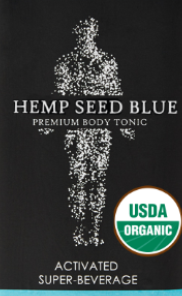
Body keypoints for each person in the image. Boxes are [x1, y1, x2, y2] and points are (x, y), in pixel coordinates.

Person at [40, 17, 134, 246]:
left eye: (90, 30)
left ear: (95, 33)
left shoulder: (107, 62)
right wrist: (48, 121)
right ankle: (78, 233)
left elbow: (115, 95)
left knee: (98, 181)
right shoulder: (66, 63)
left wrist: (124, 124)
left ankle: (94, 233)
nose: (86, 35)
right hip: (76, 131)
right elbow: (59, 96)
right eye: (82, 30)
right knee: (77, 180)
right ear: (77, 33)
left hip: (100, 130)